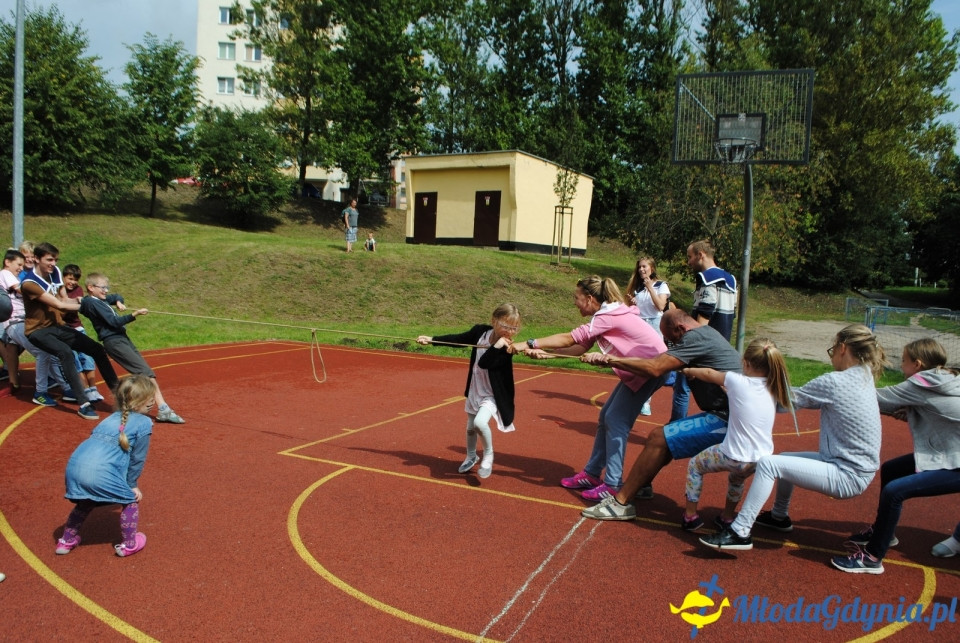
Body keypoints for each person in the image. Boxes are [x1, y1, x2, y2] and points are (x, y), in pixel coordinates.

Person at [699, 323, 886, 551]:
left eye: (832, 350)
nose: (832, 356)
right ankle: (779, 516)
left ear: (843, 348)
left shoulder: (835, 382)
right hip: (854, 467)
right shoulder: (865, 375)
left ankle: (739, 531)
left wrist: (747, 391)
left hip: (847, 474)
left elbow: (787, 403)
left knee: (768, 464)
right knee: (784, 458)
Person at [579, 308, 743, 520]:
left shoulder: (694, 338)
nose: (671, 346)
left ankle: (620, 504)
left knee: (659, 437)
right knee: (667, 438)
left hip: (731, 418)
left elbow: (655, 368)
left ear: (681, 328)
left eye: (672, 340)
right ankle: (642, 485)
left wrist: (611, 360)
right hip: (730, 413)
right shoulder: (706, 333)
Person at [516, 276, 667, 502]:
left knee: (616, 420)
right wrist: (545, 354)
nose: (574, 302)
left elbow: (569, 339)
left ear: (589, 299)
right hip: (645, 367)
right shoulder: (609, 313)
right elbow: (579, 347)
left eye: (576, 298)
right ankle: (592, 474)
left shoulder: (606, 316)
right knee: (607, 416)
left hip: (649, 369)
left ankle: (613, 484)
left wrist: (529, 343)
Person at [831, 338, 960, 574]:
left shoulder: (921, 383)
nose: (901, 366)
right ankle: (885, 531)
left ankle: (872, 558)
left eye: (903, 361)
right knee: (892, 469)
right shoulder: (947, 378)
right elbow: (940, 411)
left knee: (895, 491)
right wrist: (912, 410)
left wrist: (835, 387)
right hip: (950, 454)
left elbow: (875, 398)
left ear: (917, 364)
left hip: (955, 461)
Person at [680, 338, 792, 531]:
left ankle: (690, 516)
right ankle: (727, 517)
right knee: (737, 479)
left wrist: (689, 371)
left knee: (695, 465)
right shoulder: (774, 386)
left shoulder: (736, 380)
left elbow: (709, 373)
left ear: (746, 363)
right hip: (759, 460)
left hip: (732, 456)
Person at [55, 375, 156, 558]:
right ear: (142, 401)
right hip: (100, 472)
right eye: (150, 398)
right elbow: (137, 459)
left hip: (75, 466)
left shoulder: (109, 419)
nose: (152, 402)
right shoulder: (144, 422)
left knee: (86, 500)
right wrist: (131, 484)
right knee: (130, 500)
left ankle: (66, 540)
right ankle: (129, 544)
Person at [416, 304, 522, 479]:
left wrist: (497, 346)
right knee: (471, 428)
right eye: (506, 326)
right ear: (494, 321)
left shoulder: (506, 347)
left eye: (514, 328)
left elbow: (484, 363)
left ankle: (488, 455)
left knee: (480, 423)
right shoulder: (480, 332)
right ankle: (471, 456)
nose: (509, 332)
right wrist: (432, 339)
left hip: (492, 394)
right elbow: (459, 339)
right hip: (475, 388)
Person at [20, 242, 118, 419]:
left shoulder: (55, 273)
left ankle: (119, 396)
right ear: (36, 259)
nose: (53, 264)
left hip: (57, 326)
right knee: (65, 352)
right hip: (37, 331)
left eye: (55, 260)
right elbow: (58, 304)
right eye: (49, 260)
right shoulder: (29, 283)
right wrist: (89, 305)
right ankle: (84, 403)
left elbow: (65, 299)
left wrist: (89, 301)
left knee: (97, 350)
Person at [79, 273, 185, 424]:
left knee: (145, 373)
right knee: (146, 373)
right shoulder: (92, 303)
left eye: (107, 287)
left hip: (122, 339)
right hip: (114, 341)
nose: (106, 291)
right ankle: (163, 409)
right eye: (102, 287)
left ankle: (139, 406)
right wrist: (135, 314)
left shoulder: (100, 299)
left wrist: (118, 301)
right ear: (91, 287)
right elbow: (114, 321)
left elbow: (117, 296)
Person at [671, 240, 737, 423]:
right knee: (719, 391)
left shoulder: (707, 279)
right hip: (722, 343)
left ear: (701, 255)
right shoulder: (731, 279)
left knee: (684, 385)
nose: (688, 262)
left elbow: (704, 314)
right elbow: (732, 314)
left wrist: (693, 348)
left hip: (704, 346)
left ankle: (675, 427)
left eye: (690, 257)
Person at [0, 249, 72, 403]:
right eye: (18, 264)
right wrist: (44, 293)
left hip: (24, 321)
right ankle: (40, 392)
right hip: (15, 322)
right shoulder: (5, 273)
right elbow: (24, 290)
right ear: (7, 262)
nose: (21, 268)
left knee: (51, 351)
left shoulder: (15, 277)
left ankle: (66, 388)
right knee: (42, 352)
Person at [625, 256, 671, 416]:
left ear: (652, 268)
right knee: (638, 361)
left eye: (644, 266)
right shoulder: (638, 289)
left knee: (652, 363)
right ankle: (637, 398)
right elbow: (641, 309)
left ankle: (646, 402)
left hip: (655, 324)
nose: (641, 269)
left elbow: (660, 306)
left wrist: (650, 288)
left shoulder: (661, 285)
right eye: (639, 267)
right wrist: (635, 303)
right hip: (640, 324)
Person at [61, 264, 103, 402]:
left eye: (75, 279)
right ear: (63, 277)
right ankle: (85, 390)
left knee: (87, 358)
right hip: (65, 329)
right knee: (75, 360)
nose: (72, 282)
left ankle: (93, 388)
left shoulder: (78, 290)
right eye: (70, 278)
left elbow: (75, 307)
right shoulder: (58, 290)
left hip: (78, 327)